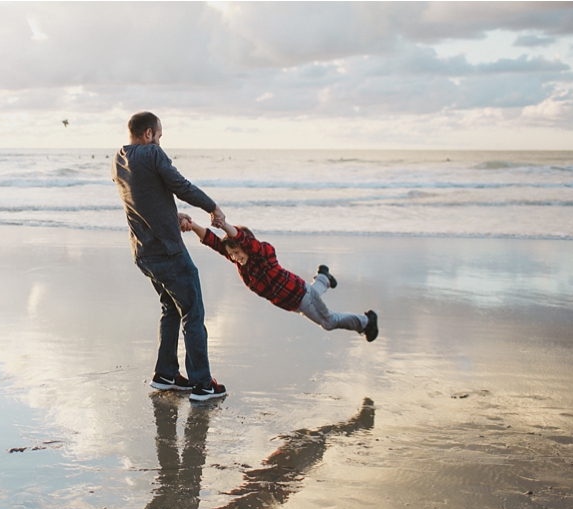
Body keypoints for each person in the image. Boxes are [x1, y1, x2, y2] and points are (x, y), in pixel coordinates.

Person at [112, 111, 227, 402]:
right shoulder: (152, 154)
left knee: (171, 308)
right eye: (159, 136)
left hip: (143, 252)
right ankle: (202, 384)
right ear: (149, 133)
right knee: (193, 312)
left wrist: (171, 215)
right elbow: (181, 185)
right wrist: (213, 207)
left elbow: (142, 198)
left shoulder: (119, 158)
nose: (160, 142)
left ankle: (165, 374)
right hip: (167, 251)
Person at [182, 214, 379, 341]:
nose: (235, 257)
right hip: (294, 300)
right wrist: (192, 226)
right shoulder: (242, 263)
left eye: (237, 252)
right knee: (314, 296)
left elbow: (248, 243)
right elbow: (213, 242)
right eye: (232, 255)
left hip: (300, 296)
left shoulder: (264, 255)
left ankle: (366, 322)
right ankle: (324, 278)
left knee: (328, 322)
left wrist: (224, 225)